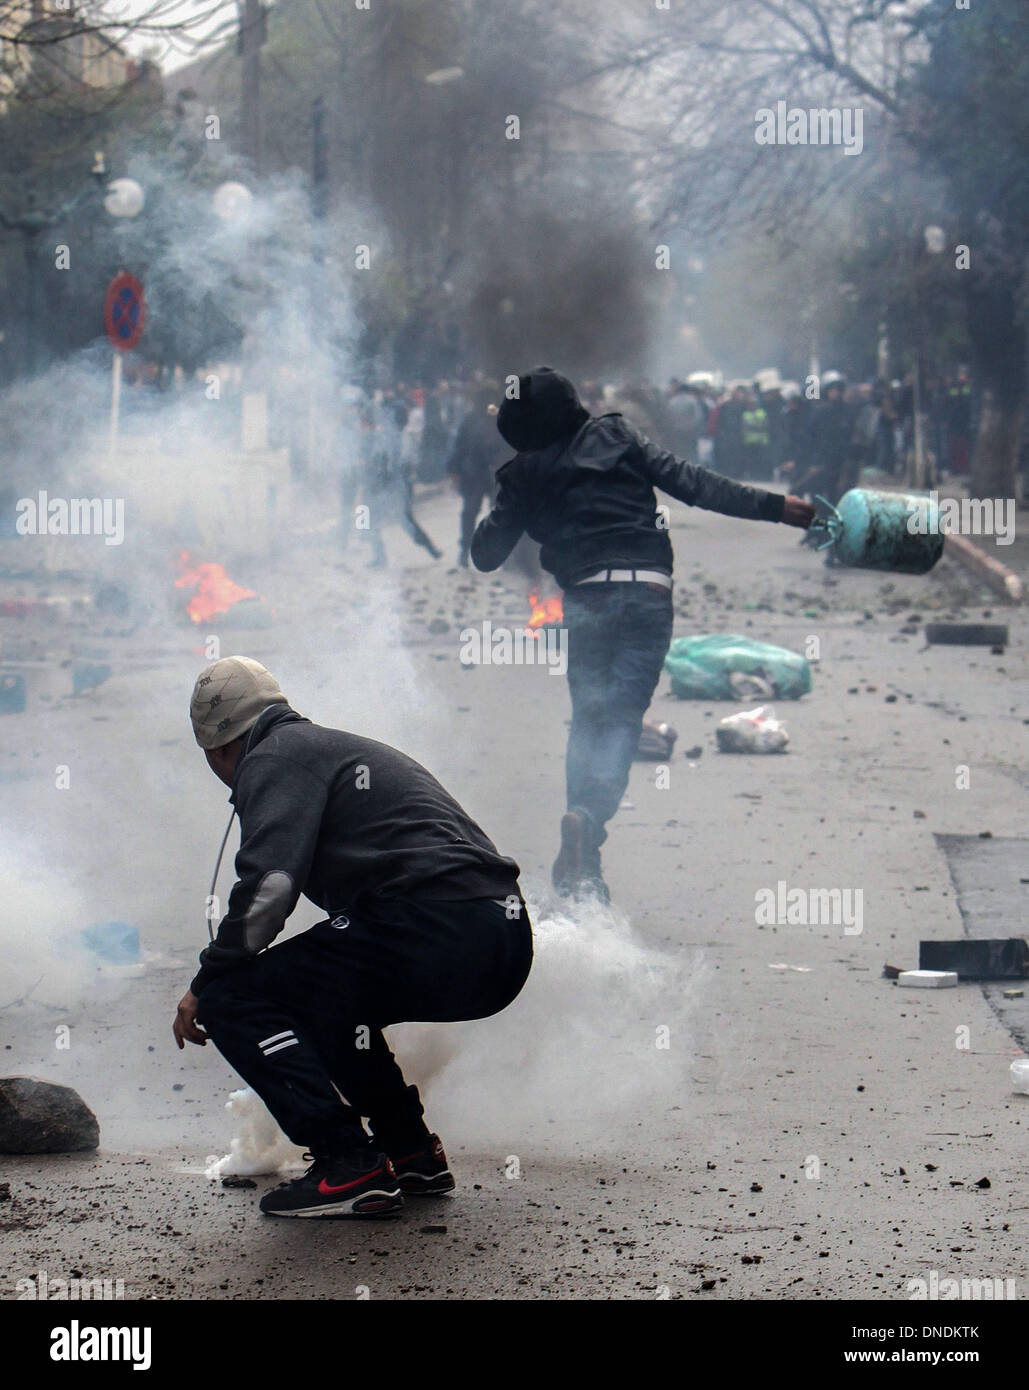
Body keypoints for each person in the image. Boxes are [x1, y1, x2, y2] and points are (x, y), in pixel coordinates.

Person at [175, 656, 531, 1218]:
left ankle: (348, 1163)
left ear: (217, 748)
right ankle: (409, 1151)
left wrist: (207, 979)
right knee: (330, 996)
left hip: (438, 923)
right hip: (499, 939)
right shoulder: (324, 748)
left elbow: (270, 888)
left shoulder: (274, 757)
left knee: (233, 995)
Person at [470, 366, 815, 900]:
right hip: (647, 599)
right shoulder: (616, 435)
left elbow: (486, 554)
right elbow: (696, 484)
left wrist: (509, 496)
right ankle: (589, 829)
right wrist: (778, 507)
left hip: (586, 602)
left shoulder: (523, 473)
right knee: (621, 721)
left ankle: (584, 842)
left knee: (589, 718)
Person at [447, 380, 507, 567]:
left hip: (495, 473)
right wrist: (454, 470)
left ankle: (503, 555)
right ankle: (464, 551)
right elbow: (459, 446)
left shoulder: (500, 419)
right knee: (470, 513)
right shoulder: (470, 420)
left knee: (499, 515)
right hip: (474, 474)